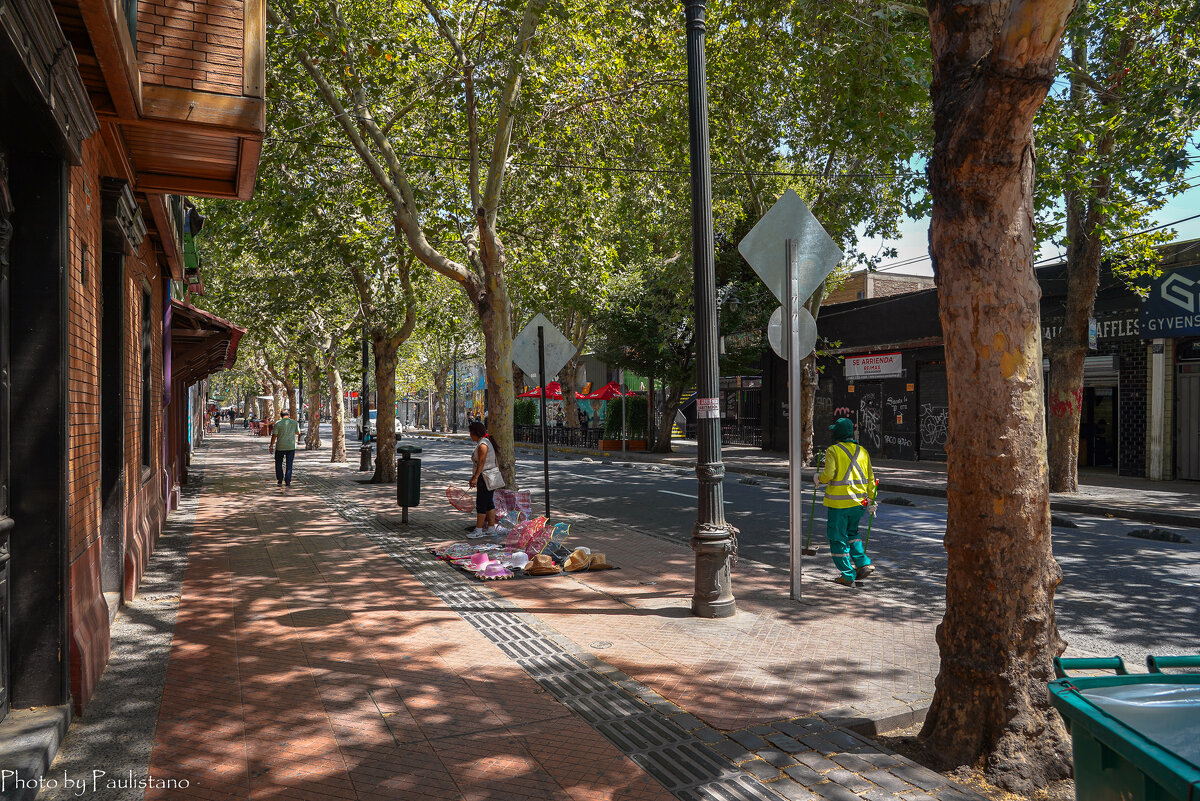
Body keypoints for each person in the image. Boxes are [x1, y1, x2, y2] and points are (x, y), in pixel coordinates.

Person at [813, 417, 877, 586]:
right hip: (860, 503)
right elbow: (871, 478)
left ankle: (847, 574)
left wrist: (818, 478)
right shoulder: (863, 451)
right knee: (853, 534)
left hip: (839, 504)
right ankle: (863, 563)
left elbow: (829, 474)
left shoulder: (833, 450)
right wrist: (871, 500)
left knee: (837, 537)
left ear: (838, 434)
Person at [467, 420, 500, 539]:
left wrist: (475, 477)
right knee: (489, 503)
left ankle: (479, 530)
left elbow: (481, 462)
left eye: (470, 432)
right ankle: (491, 528)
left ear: (475, 433)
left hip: (485, 477)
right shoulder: (484, 442)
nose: (470, 435)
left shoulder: (483, 444)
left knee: (481, 504)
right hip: (488, 476)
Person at [269, 409, 301, 487]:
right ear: (288, 414)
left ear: (281, 415)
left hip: (280, 446)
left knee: (278, 462)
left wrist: (271, 445)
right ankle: (288, 481)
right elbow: (298, 432)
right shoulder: (294, 423)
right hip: (291, 446)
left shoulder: (278, 424)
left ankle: (280, 478)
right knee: (289, 464)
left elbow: (274, 435)